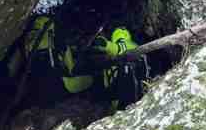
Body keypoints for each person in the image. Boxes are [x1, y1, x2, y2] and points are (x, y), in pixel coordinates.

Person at [8, 17, 145, 106]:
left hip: (35, 89)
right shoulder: (52, 36)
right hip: (61, 84)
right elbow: (70, 63)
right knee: (92, 80)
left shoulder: (28, 40)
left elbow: (12, 68)